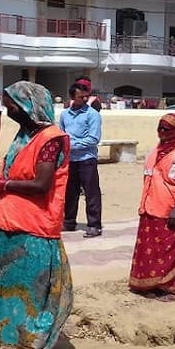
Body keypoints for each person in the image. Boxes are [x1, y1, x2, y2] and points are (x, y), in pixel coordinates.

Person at [0, 81, 72, 349]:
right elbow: (15, 174)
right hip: (9, 223)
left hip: (35, 229)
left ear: (28, 105)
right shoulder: (24, 136)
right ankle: (6, 346)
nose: (8, 109)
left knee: (31, 296)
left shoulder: (51, 139)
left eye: (12, 104)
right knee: (3, 291)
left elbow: (41, 185)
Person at [129, 113, 175, 301]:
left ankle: (171, 288)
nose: (161, 132)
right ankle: (149, 284)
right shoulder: (156, 150)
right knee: (151, 249)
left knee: (171, 251)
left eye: (166, 129)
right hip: (150, 207)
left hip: (171, 209)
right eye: (159, 128)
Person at [60, 82, 103, 237]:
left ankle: (94, 225)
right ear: (72, 97)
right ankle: (69, 221)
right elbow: (62, 135)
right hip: (70, 160)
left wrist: (71, 145)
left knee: (91, 193)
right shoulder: (64, 115)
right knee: (70, 192)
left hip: (87, 159)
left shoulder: (93, 115)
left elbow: (93, 139)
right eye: (81, 97)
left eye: (86, 96)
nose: (84, 99)